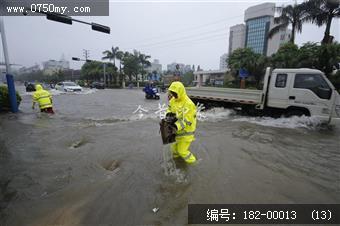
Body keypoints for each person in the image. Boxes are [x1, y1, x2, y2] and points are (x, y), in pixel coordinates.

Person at [166, 81, 197, 164]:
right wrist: (168, 116)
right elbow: (169, 109)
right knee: (174, 150)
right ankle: (178, 163)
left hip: (186, 131)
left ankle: (194, 164)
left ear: (180, 91)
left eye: (175, 93)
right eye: (172, 93)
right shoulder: (173, 100)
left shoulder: (189, 104)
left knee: (182, 151)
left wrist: (175, 127)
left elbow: (187, 120)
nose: (173, 95)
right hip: (176, 131)